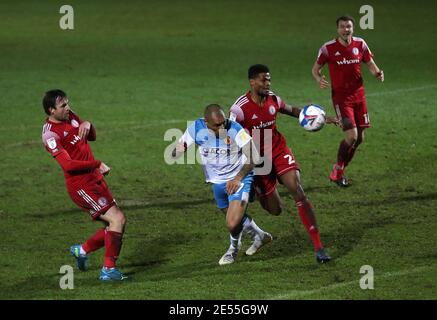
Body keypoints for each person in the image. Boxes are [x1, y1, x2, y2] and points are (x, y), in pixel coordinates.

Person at [230, 64, 336, 263]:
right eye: (263, 79)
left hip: (278, 149)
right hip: (257, 160)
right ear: (252, 82)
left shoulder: (273, 99)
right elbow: (230, 132)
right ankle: (258, 190)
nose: (267, 83)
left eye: (269, 79)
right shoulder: (240, 108)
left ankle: (319, 247)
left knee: (297, 189)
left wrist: (316, 116)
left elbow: (291, 110)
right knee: (275, 209)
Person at [41, 89, 127, 281]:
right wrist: (96, 163)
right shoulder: (50, 135)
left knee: (115, 225)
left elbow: (91, 136)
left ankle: (82, 250)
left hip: (94, 179)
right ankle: (108, 270)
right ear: (51, 110)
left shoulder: (70, 117)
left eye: (67, 103)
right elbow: (68, 165)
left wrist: (88, 124)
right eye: (63, 106)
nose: (68, 108)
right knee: (117, 220)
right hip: (81, 185)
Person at [172, 104, 272, 265]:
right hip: (217, 182)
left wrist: (238, 178)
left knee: (232, 222)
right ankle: (260, 236)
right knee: (233, 217)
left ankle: (233, 249)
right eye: (217, 125)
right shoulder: (196, 128)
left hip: (239, 179)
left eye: (223, 122)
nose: (222, 127)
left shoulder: (235, 129)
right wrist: (178, 149)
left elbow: (254, 157)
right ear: (206, 122)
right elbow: (177, 149)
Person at [312, 15, 384, 187]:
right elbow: (315, 69)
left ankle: (340, 170)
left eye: (349, 26)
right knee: (352, 136)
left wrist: (377, 73)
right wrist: (318, 78)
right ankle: (337, 170)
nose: (346, 29)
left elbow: (370, 63)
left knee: (360, 139)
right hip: (341, 98)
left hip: (359, 96)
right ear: (337, 29)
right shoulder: (328, 48)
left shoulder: (360, 44)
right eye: (343, 27)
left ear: (353, 28)